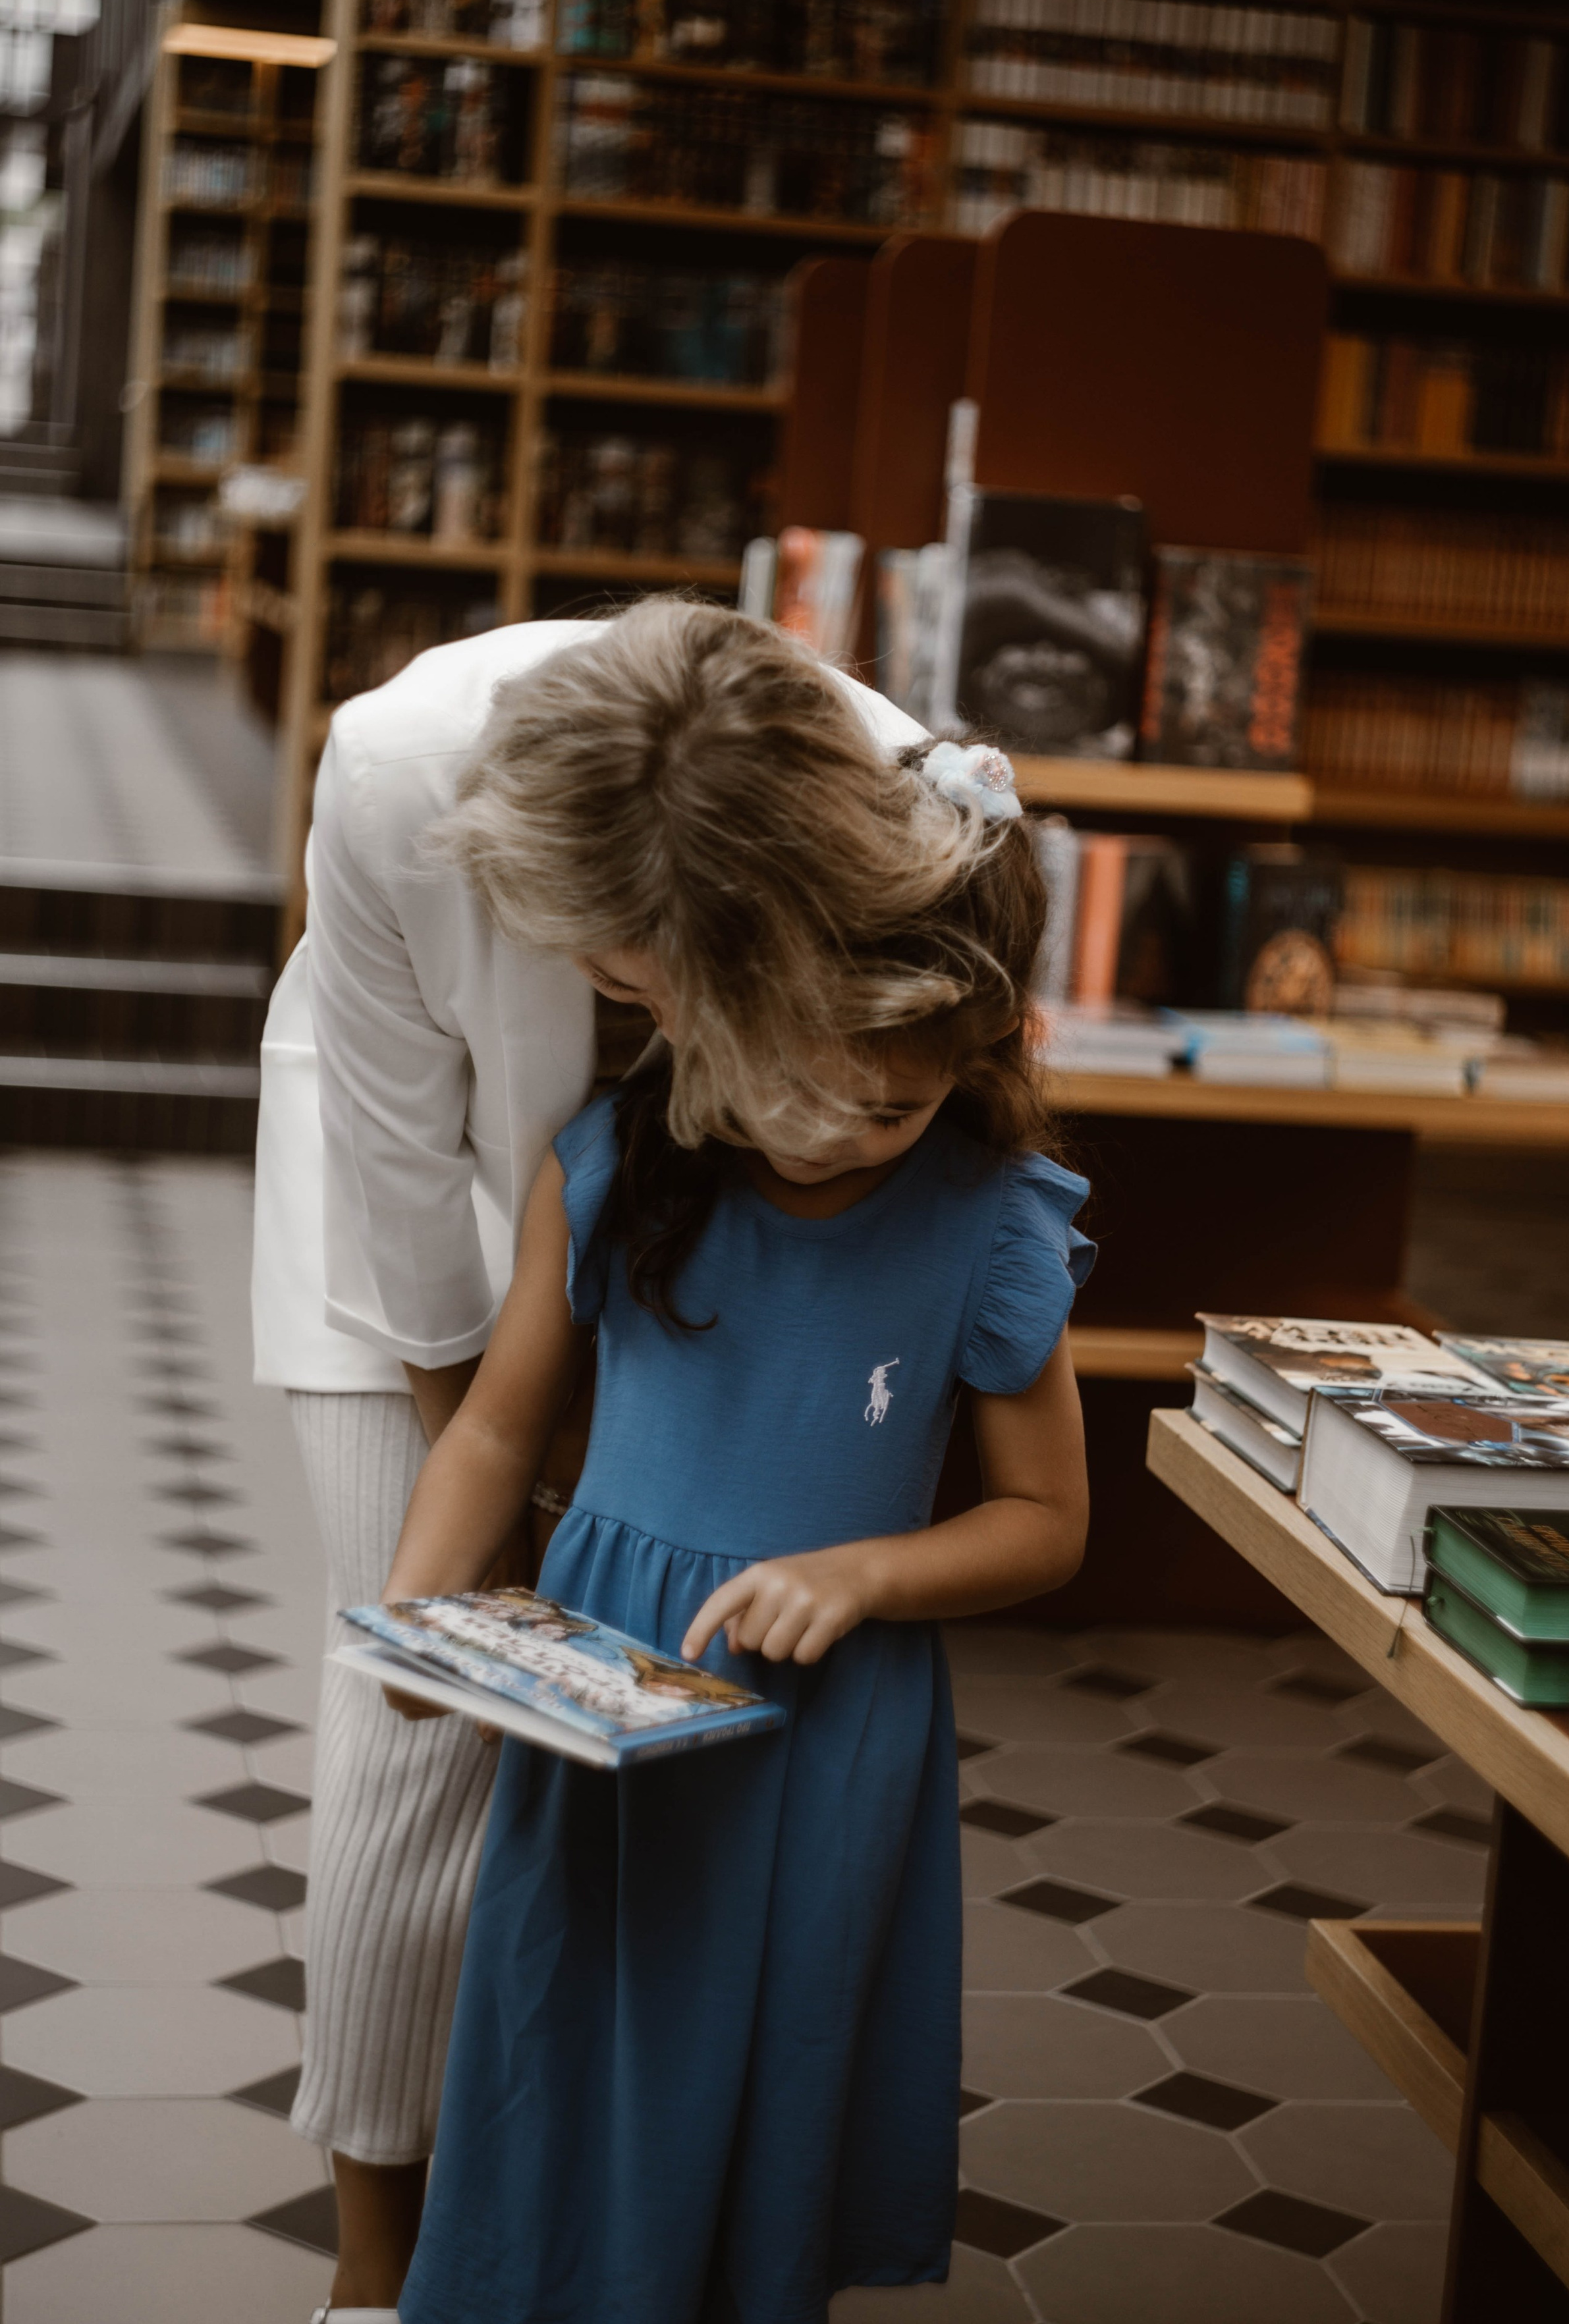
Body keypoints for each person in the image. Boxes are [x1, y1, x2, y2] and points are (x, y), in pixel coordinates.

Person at [379, 610, 1091, 2324]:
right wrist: (422, 1608)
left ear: (976, 1066)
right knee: (571, 2025)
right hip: (611, 1689)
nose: (832, 1133)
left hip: (821, 1729)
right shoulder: (618, 1162)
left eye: (890, 1109)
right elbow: (494, 1423)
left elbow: (1048, 1522)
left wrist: (866, 1573)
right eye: (796, 1089)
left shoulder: (989, 1228)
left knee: (768, 2070)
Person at [250, 601, 922, 2319]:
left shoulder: (895, 791)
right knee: (418, 1736)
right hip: (420, 1188)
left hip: (730, 1208)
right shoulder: (393, 774)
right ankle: (376, 2270)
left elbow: (950, 1081)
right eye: (619, 959)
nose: (645, 993)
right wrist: (499, 1523)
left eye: (673, 955)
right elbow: (410, 1209)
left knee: (667, 1755)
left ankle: (610, 2211)